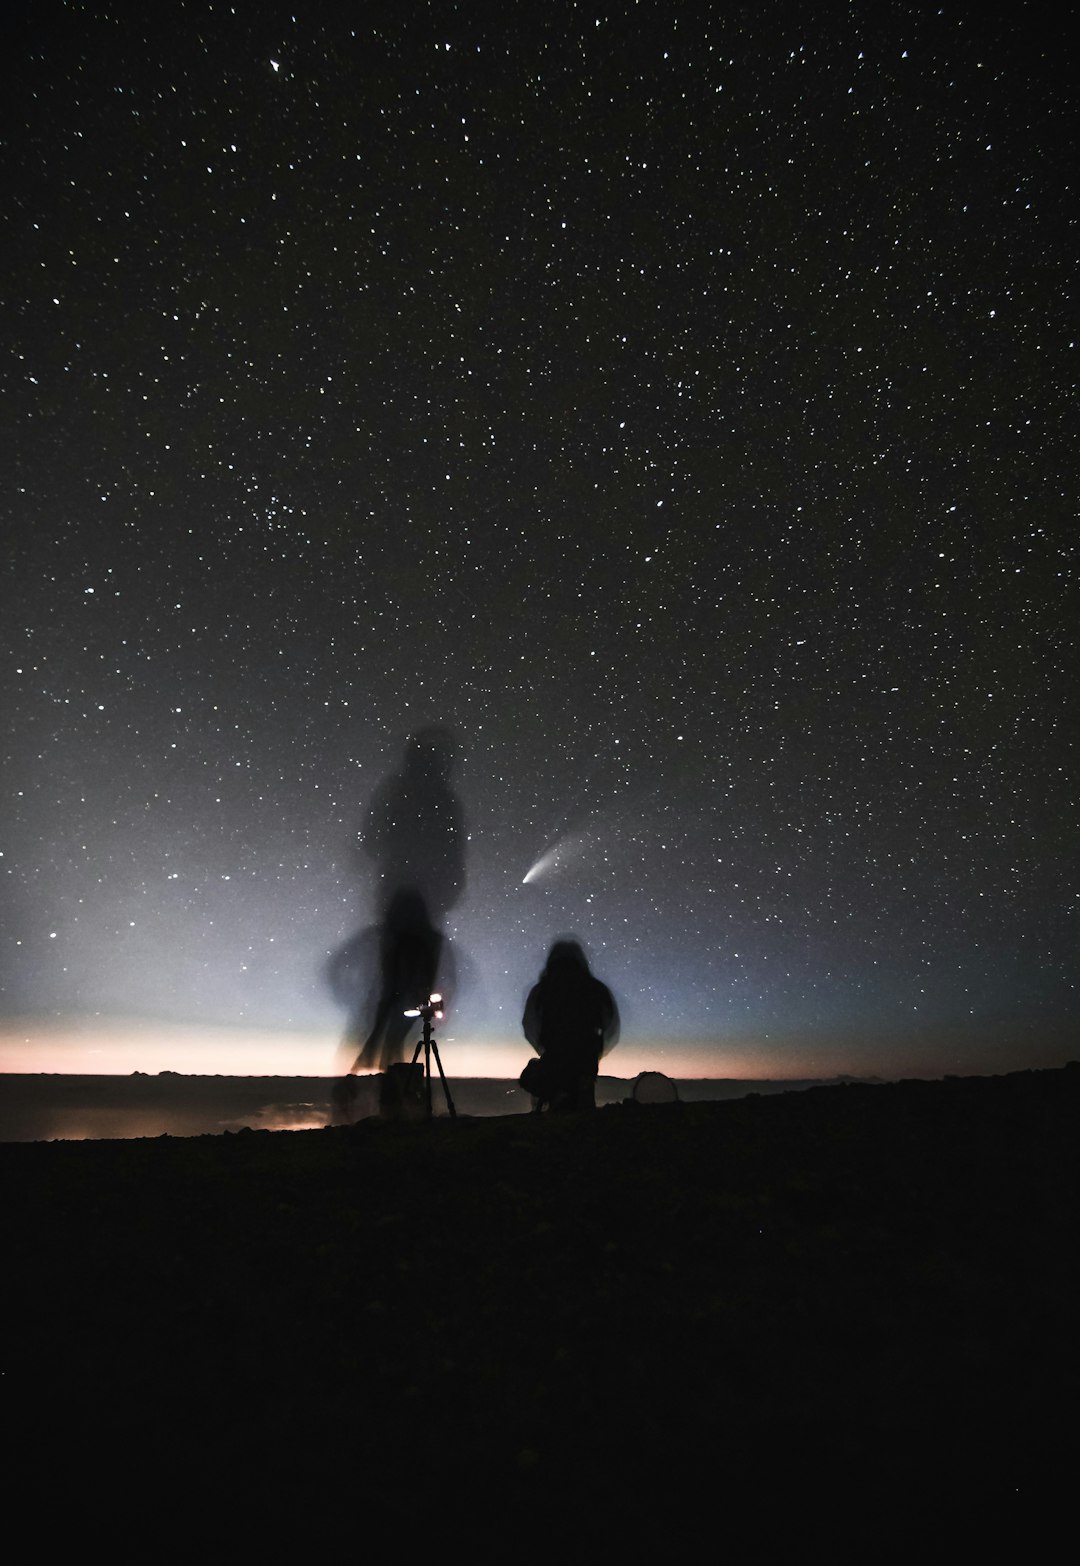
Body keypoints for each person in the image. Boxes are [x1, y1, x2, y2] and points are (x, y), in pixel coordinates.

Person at [521, 939, 619, 1112]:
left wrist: (547, 1047)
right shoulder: (595, 988)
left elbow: (530, 1025)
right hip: (586, 1058)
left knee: (557, 1103)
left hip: (555, 1056)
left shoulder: (543, 989)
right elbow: (609, 1023)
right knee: (583, 1106)